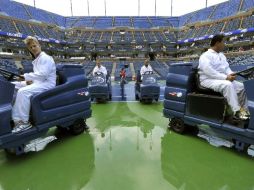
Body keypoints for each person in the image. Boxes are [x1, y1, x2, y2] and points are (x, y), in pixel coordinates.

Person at [198, 34, 249, 120]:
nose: (224, 44)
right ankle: (236, 112)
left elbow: (226, 68)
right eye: (223, 42)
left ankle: (244, 110)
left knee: (242, 87)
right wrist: (226, 77)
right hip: (208, 80)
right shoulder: (205, 56)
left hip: (221, 79)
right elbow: (209, 72)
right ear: (217, 43)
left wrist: (231, 74)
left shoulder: (221, 55)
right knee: (227, 85)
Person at [12, 36, 56, 133]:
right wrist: (26, 80)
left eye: (34, 46)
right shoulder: (37, 60)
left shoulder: (46, 58)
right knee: (14, 85)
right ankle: (14, 115)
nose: (33, 48)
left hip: (47, 84)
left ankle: (23, 123)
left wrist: (25, 77)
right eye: (30, 48)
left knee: (23, 92)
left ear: (39, 45)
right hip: (39, 82)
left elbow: (43, 75)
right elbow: (37, 77)